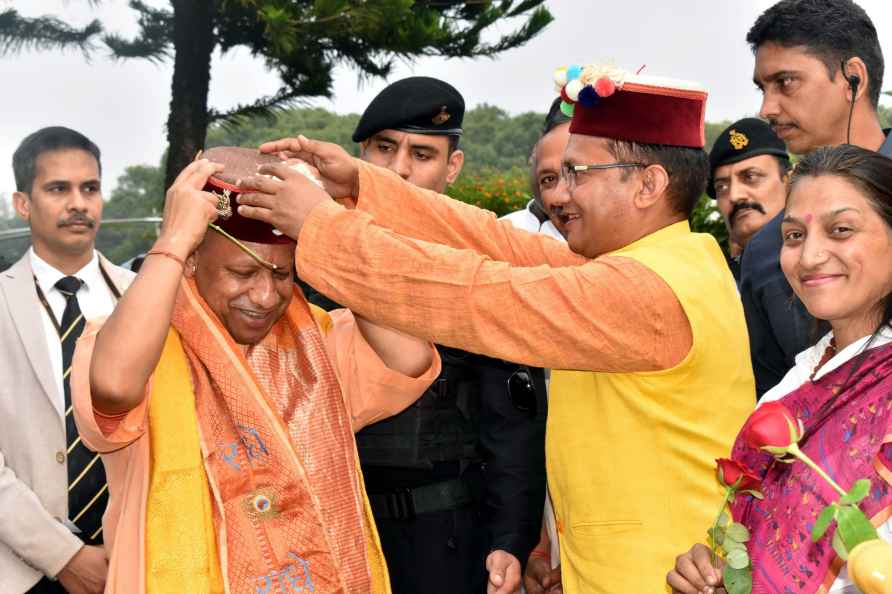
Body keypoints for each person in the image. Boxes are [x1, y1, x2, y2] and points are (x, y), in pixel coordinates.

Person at [236, 63, 756, 593]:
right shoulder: (657, 265)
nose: (561, 194)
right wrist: (362, 185)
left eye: (579, 174)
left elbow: (473, 293)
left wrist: (323, 225)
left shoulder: (644, 291)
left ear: (648, 184)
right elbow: (493, 242)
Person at [70, 147, 440, 594]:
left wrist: (334, 232)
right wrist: (170, 242)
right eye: (243, 271)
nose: (265, 296)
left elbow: (409, 358)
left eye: (282, 274)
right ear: (191, 260)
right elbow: (112, 386)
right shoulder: (130, 343)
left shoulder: (315, 341)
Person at [343, 76, 547, 594]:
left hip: (445, 537)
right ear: (359, 153)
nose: (400, 169)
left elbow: (513, 422)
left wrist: (511, 537)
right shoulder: (312, 259)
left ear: (452, 168)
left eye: (422, 153)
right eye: (384, 149)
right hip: (338, 528)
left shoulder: (474, 270)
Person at [667, 144, 892, 594]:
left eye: (841, 230)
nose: (808, 257)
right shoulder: (794, 385)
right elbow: (764, 532)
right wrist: (714, 568)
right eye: (793, 236)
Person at [0, 127, 134, 594]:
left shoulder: (147, 299)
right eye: (58, 189)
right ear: (23, 203)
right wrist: (65, 556)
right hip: (21, 570)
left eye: (90, 188)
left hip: (139, 560)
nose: (78, 203)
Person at [741, 0, 892, 397]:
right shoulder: (765, 253)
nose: (767, 109)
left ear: (852, 79)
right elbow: (778, 408)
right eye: (762, 88)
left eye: (786, 82)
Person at [706, 118, 789, 282]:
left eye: (750, 177)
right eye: (721, 187)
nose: (734, 196)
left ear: (788, 182)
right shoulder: (717, 284)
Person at [502, 97, 570, 240]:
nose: (560, 195)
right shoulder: (500, 232)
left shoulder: (614, 249)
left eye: (579, 174)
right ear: (536, 150)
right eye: (550, 178)